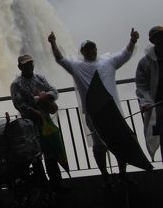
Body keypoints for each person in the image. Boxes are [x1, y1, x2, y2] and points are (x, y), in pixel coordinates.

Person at [48, 29, 139, 186]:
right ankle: (105, 177)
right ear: (82, 52)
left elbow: (125, 54)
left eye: (93, 47)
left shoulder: (108, 61)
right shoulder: (77, 66)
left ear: (96, 48)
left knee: (121, 142)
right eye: (87, 49)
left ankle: (122, 174)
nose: (91, 50)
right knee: (99, 146)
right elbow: (60, 59)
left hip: (112, 111)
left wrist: (132, 41)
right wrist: (53, 43)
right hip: (94, 114)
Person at [10, 54, 66, 190]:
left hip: (46, 120)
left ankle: (56, 184)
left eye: (30, 63)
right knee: (35, 155)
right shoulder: (16, 84)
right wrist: (35, 104)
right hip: (29, 125)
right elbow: (19, 104)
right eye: (25, 64)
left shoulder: (40, 78)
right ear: (20, 67)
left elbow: (55, 92)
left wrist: (45, 96)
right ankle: (43, 186)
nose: (29, 66)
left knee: (51, 152)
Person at [135, 25, 163, 160]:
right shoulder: (145, 63)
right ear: (153, 41)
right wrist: (146, 102)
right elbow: (141, 87)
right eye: (158, 37)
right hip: (159, 108)